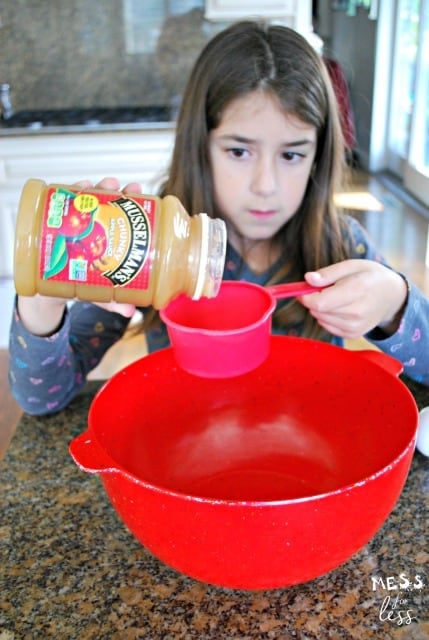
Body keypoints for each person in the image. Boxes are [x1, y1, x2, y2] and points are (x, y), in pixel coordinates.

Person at [8, 21, 429, 415]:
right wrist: (44, 296)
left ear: (318, 158)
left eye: (292, 154)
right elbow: (41, 398)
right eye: (239, 151)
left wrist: (394, 302)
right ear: (201, 148)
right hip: (191, 450)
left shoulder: (340, 245)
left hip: (303, 453)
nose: (265, 184)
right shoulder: (152, 248)